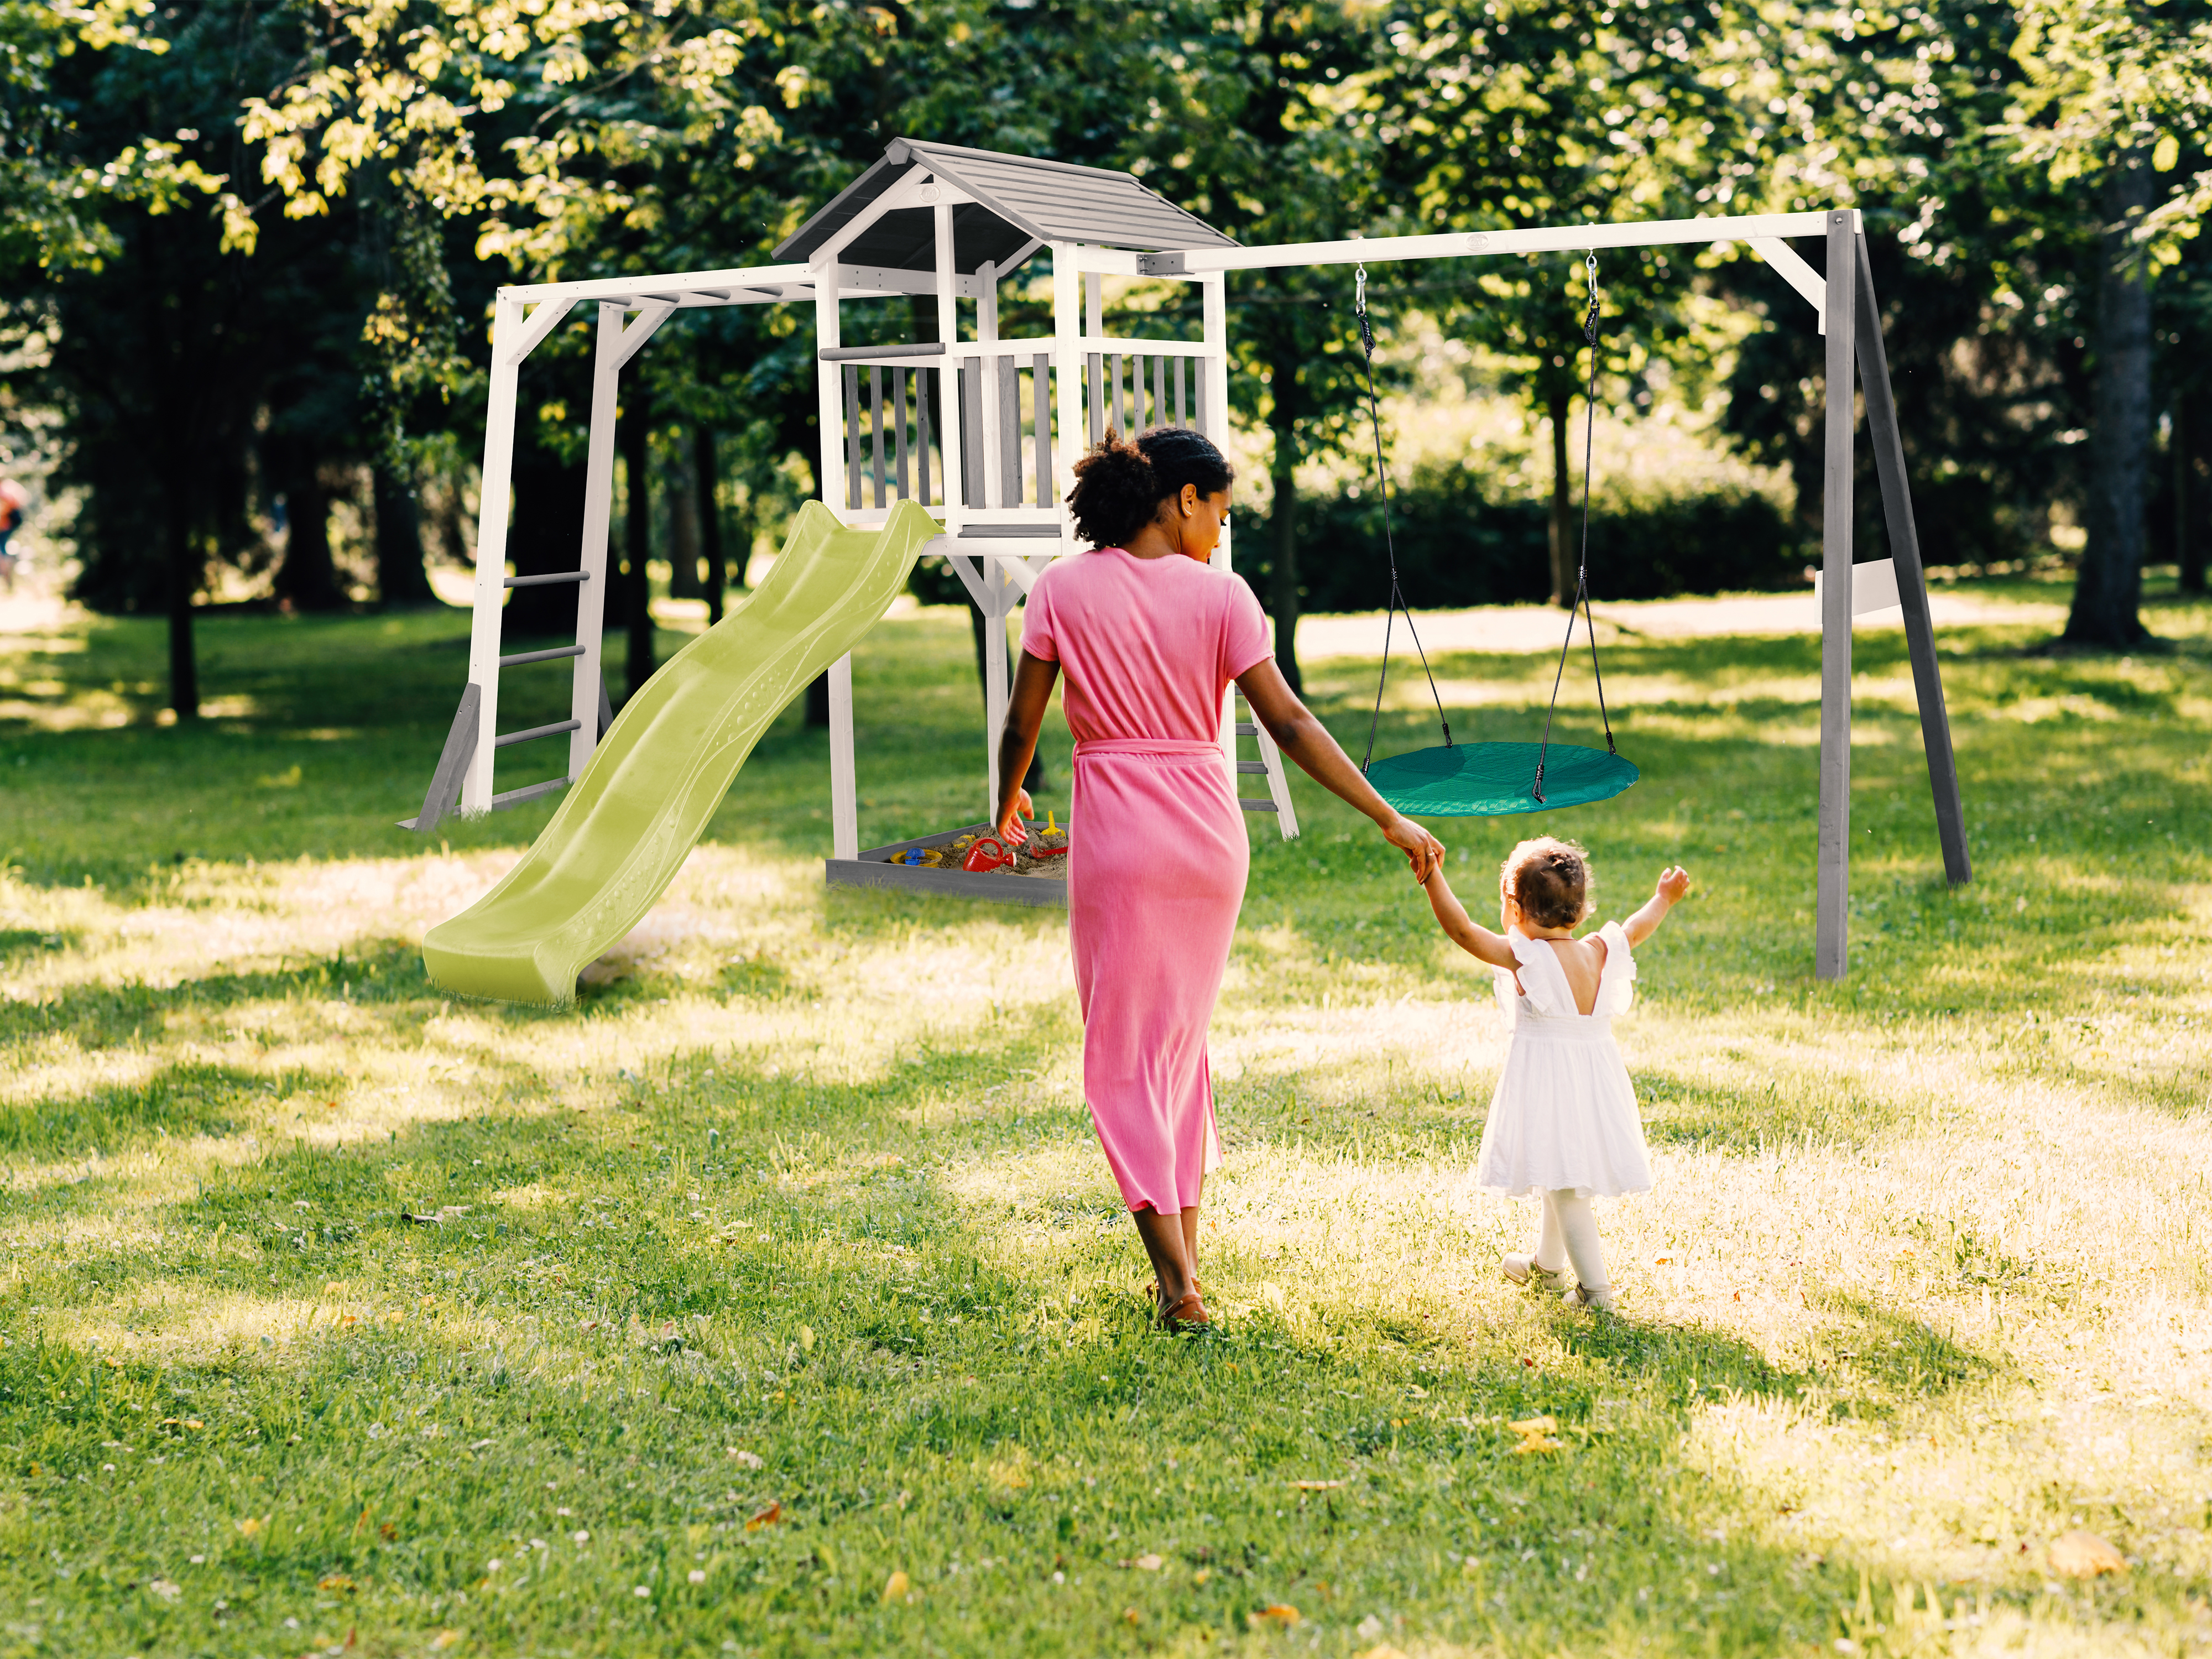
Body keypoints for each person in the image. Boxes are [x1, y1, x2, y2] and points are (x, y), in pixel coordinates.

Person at [994, 427, 1445, 1331]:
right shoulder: (1224, 598)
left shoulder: (1060, 589)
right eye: (1222, 514)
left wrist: (1003, 807)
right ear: (1184, 499)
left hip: (1120, 838)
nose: (1222, 535)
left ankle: (1176, 1286)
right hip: (1208, 839)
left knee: (1123, 1061)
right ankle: (1185, 1270)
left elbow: (1022, 723)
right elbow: (1288, 723)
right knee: (1176, 1054)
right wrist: (1386, 813)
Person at [1418, 837, 1691, 1311]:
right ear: (1581, 911)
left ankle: (1595, 1292)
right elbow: (1636, 927)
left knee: (1565, 1188)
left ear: (1515, 908)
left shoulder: (1527, 958)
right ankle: (1547, 1267)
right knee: (1556, 1170)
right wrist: (1663, 898)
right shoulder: (1599, 950)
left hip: (1550, 1084)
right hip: (1594, 1082)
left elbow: (1462, 931)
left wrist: (1431, 875)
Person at [0, 478, 27, 595]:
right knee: (3, 549)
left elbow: (6, 508)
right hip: (11, 522)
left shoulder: (4, 491)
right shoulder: (8, 486)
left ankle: (6, 574)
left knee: (2, 550)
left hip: (8, 523)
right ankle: (7, 576)